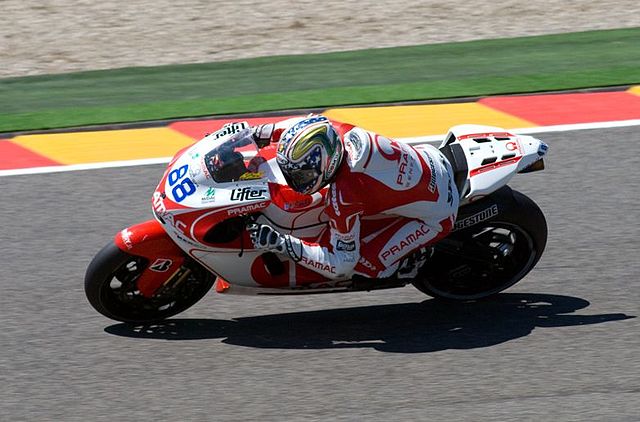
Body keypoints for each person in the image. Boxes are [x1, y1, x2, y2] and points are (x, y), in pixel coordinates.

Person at [247, 114, 459, 280]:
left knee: (363, 267)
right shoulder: (342, 133)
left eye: (302, 175)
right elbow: (304, 125)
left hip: (437, 215)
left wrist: (282, 243)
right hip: (432, 158)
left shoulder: (344, 196)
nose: (297, 181)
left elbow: (342, 264)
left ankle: (409, 261)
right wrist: (258, 132)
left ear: (326, 164)